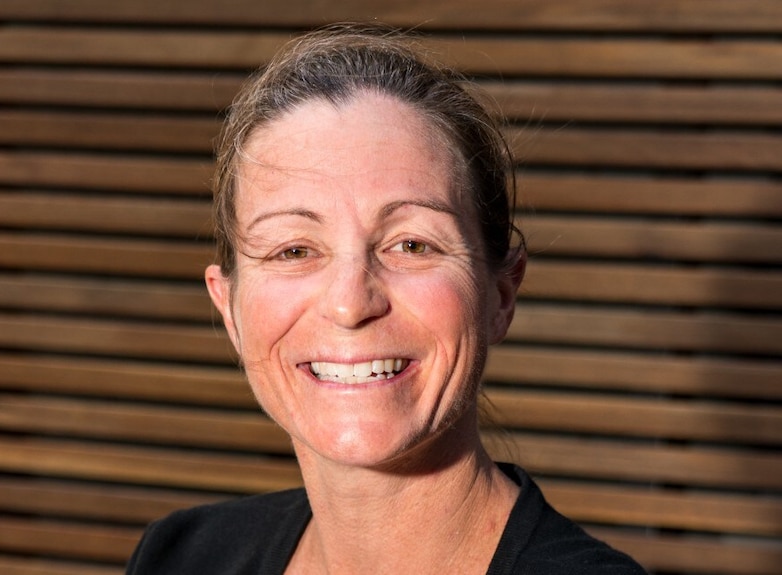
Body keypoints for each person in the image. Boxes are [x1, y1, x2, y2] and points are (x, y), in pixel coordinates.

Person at [126, 23, 647, 575]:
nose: (351, 305)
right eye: (294, 250)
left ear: (500, 294)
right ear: (228, 309)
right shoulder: (180, 556)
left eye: (412, 244)